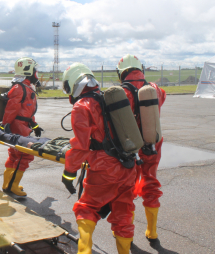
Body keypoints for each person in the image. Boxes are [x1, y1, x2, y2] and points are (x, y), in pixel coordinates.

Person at [61, 63, 136, 254]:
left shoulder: (82, 106)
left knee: (86, 208)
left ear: (72, 84)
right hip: (128, 165)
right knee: (123, 213)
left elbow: (80, 146)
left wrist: (69, 172)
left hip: (105, 169)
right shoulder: (108, 98)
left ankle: (84, 251)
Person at [117, 54, 166, 243]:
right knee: (151, 182)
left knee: (125, 188)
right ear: (141, 69)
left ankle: (123, 232)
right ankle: (152, 231)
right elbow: (161, 99)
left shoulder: (122, 92)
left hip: (130, 146)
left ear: (121, 73)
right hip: (152, 144)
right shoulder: (155, 89)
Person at [0, 57, 42, 196]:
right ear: (29, 71)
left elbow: (27, 111)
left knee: (14, 154)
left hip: (22, 125)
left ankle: (7, 184)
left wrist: (34, 125)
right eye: (36, 71)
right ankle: (13, 185)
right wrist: (5, 125)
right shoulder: (20, 88)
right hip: (18, 127)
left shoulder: (26, 88)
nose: (37, 74)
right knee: (24, 156)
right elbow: (11, 109)